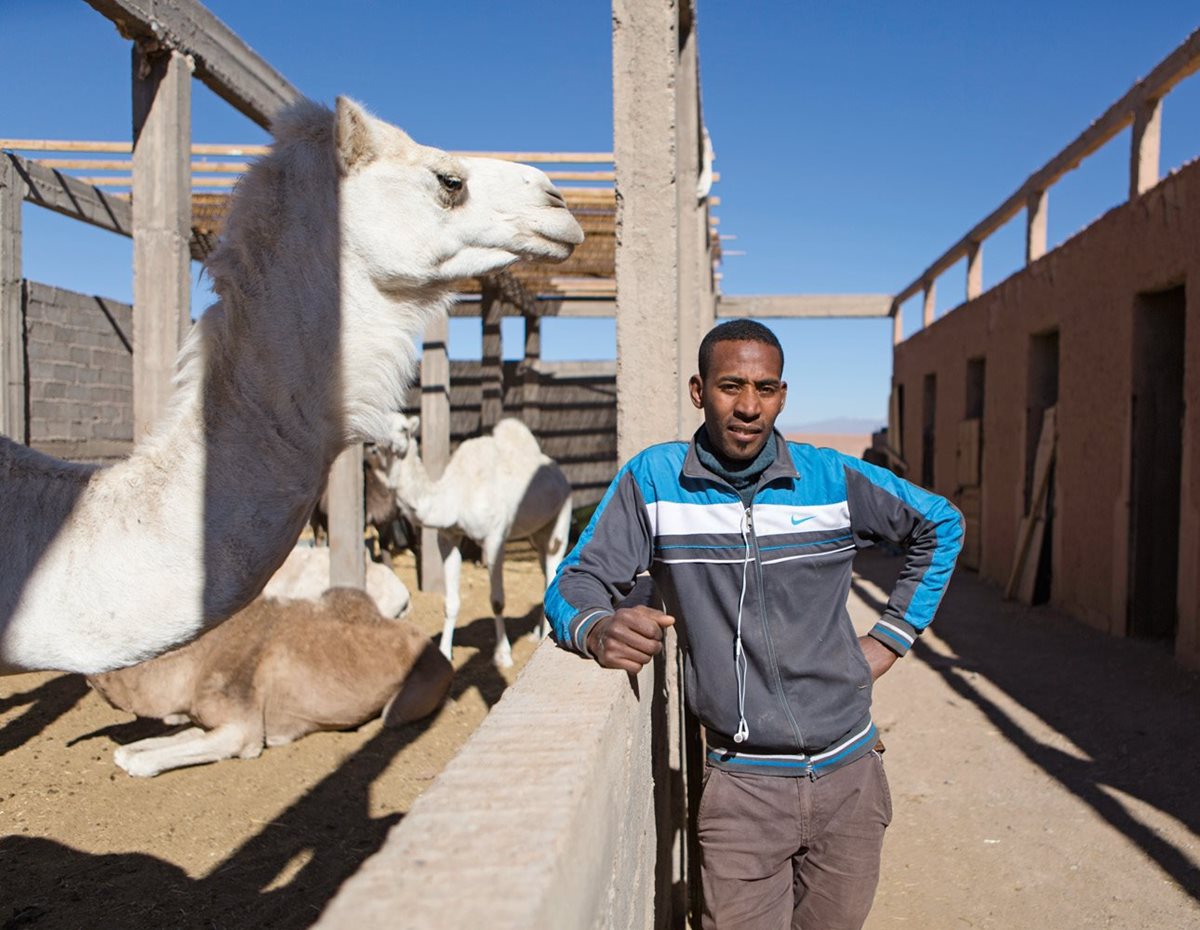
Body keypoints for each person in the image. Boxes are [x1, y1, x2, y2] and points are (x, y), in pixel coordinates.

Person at [545, 319, 963, 929]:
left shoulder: (830, 478)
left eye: (765, 389)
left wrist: (892, 638)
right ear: (698, 391)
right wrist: (594, 627)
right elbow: (572, 582)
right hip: (742, 788)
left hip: (851, 778)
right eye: (730, 386)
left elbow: (940, 523)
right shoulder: (656, 482)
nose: (748, 407)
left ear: (783, 396)